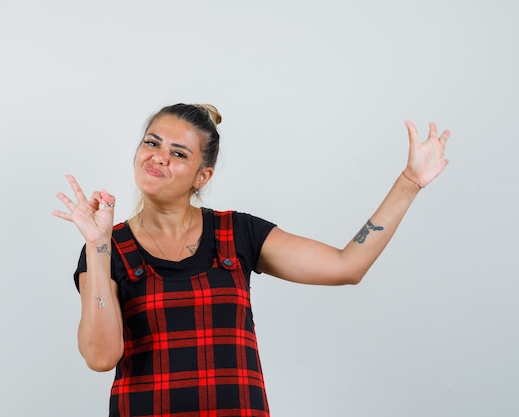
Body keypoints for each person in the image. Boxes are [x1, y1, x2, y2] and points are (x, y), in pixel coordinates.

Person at [53, 103, 450, 417]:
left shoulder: (239, 233)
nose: (158, 157)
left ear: (201, 176)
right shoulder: (106, 247)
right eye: (151, 143)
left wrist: (409, 182)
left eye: (178, 153)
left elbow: (348, 266)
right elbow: (101, 357)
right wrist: (98, 244)